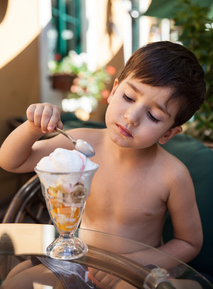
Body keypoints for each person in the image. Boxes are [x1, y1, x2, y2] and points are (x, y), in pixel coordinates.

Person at [0, 41, 206, 288]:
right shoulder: (79, 143)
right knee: (17, 282)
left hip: (138, 268)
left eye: (153, 116)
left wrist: (128, 263)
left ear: (168, 133)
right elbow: (11, 161)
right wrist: (33, 127)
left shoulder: (172, 174)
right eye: (129, 97)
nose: (132, 117)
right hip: (81, 260)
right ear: (115, 89)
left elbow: (189, 242)